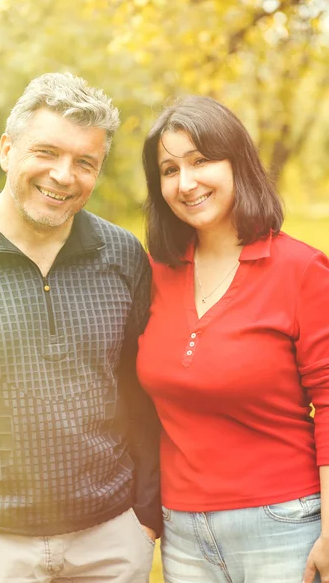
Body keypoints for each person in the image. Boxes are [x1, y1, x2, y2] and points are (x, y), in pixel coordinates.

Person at [0, 72, 161, 583]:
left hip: (111, 540)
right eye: (47, 152)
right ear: (7, 149)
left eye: (85, 162)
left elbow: (145, 391)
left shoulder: (123, 255)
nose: (63, 175)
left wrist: (145, 515)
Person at [136, 95, 329, 583]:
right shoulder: (154, 273)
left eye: (201, 161)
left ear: (237, 162)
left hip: (285, 524)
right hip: (182, 534)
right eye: (169, 169)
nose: (186, 182)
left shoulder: (301, 270)